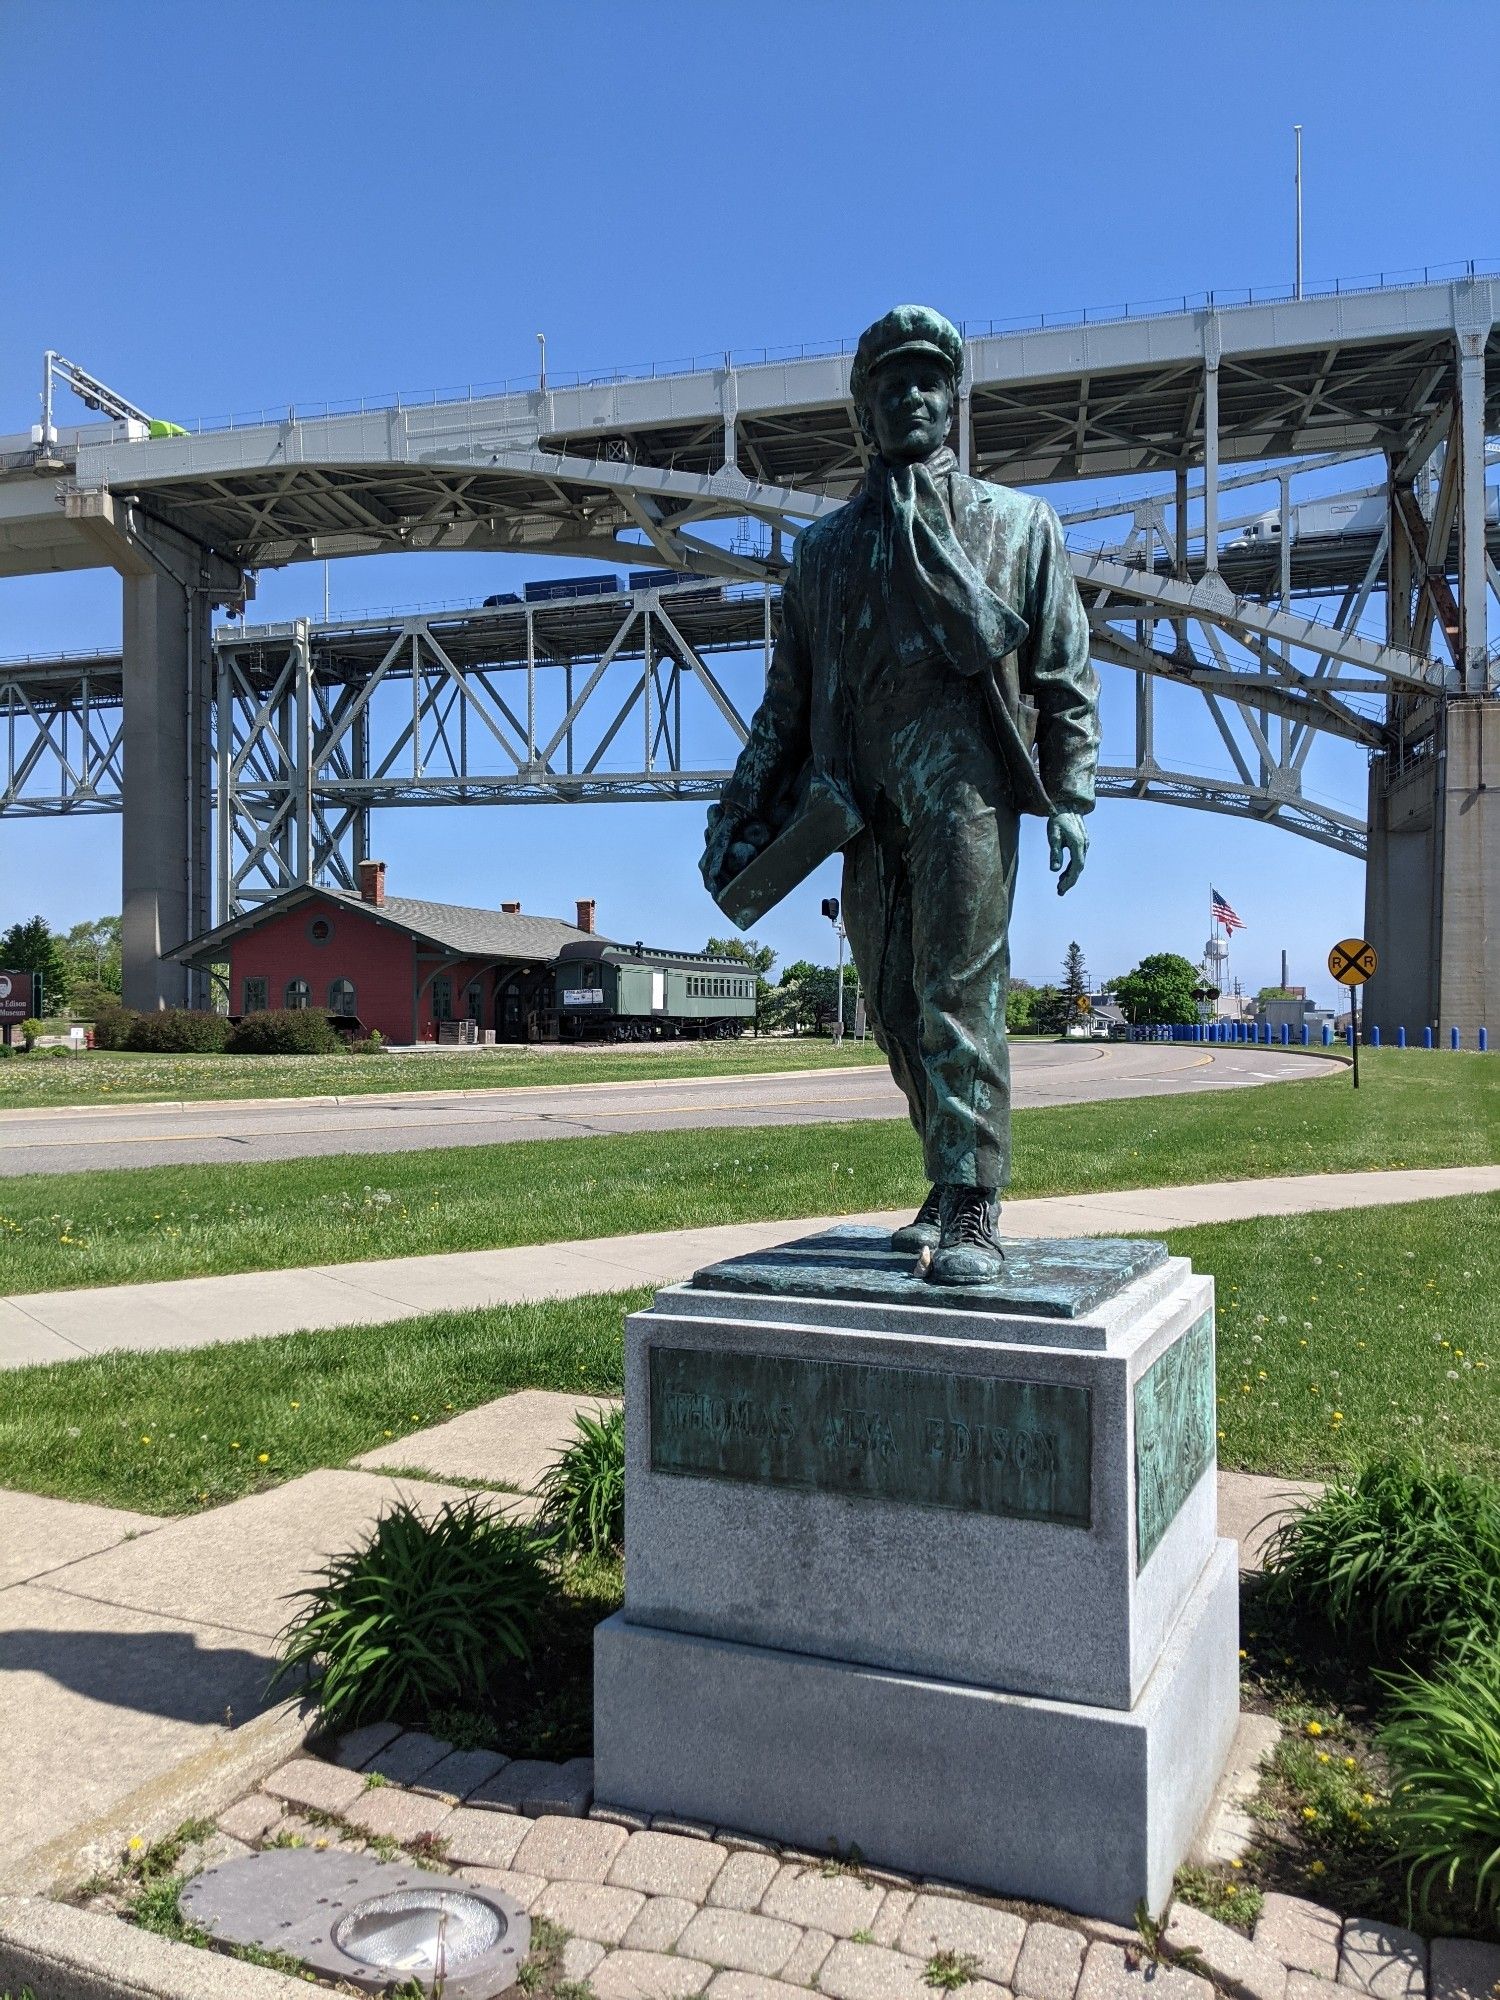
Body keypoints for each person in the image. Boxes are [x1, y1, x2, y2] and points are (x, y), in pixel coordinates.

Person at [702, 305, 1100, 1283]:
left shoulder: (1018, 527)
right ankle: (945, 1170)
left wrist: (1073, 791)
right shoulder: (826, 553)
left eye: (929, 382)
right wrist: (736, 816)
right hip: (863, 809)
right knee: (890, 1001)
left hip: (969, 792)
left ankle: (972, 1200)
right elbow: (784, 706)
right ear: (864, 412)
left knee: (958, 992)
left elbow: (1066, 673)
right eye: (892, 386)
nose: (912, 397)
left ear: (951, 402)